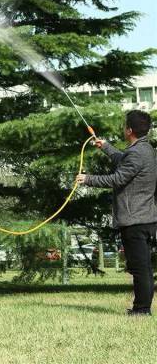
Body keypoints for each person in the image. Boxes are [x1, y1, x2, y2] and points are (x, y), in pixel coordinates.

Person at [76, 110, 157, 316]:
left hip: (135, 220)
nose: (123, 128)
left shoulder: (137, 152)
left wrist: (88, 179)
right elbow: (125, 160)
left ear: (129, 130)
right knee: (142, 267)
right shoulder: (144, 149)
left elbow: (117, 178)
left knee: (139, 268)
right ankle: (142, 308)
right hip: (143, 218)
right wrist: (106, 147)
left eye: (124, 126)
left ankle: (141, 310)